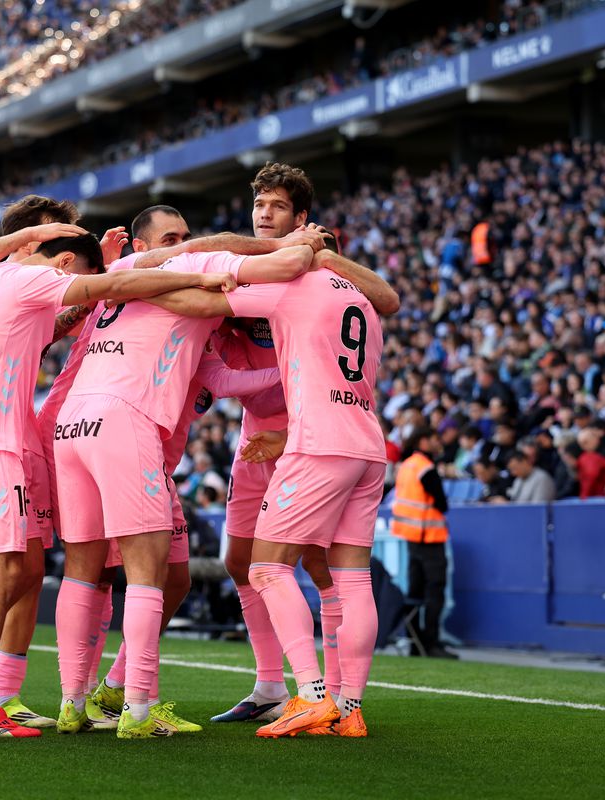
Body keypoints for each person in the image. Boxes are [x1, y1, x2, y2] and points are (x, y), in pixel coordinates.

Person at [0, 214, 239, 740]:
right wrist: (191, 272)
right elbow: (111, 286)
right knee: (8, 572)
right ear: (60, 260)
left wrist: (64, 258)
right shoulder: (32, 278)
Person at [149, 186, 399, 739]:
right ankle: (347, 707)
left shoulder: (289, 287)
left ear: (304, 237)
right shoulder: (360, 301)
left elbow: (200, 304)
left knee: (269, 567)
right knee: (353, 578)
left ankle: (308, 694)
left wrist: (140, 284)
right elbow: (386, 299)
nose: (266, 216)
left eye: (281, 211)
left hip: (313, 443)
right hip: (364, 442)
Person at [52, 234, 324, 739]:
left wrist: (281, 370)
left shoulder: (126, 272)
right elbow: (280, 267)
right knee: (146, 572)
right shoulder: (203, 261)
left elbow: (220, 381)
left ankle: (74, 702)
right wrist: (302, 245)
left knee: (82, 571)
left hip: (73, 424)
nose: (179, 243)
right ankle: (137, 710)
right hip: (125, 421)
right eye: (172, 236)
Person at [388, 428, 454, 659]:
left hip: (411, 537)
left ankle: (415, 643)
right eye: (435, 438)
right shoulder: (425, 467)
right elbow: (442, 503)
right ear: (423, 440)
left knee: (415, 592)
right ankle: (431, 643)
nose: (438, 442)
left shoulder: (407, 465)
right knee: (435, 590)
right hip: (429, 537)